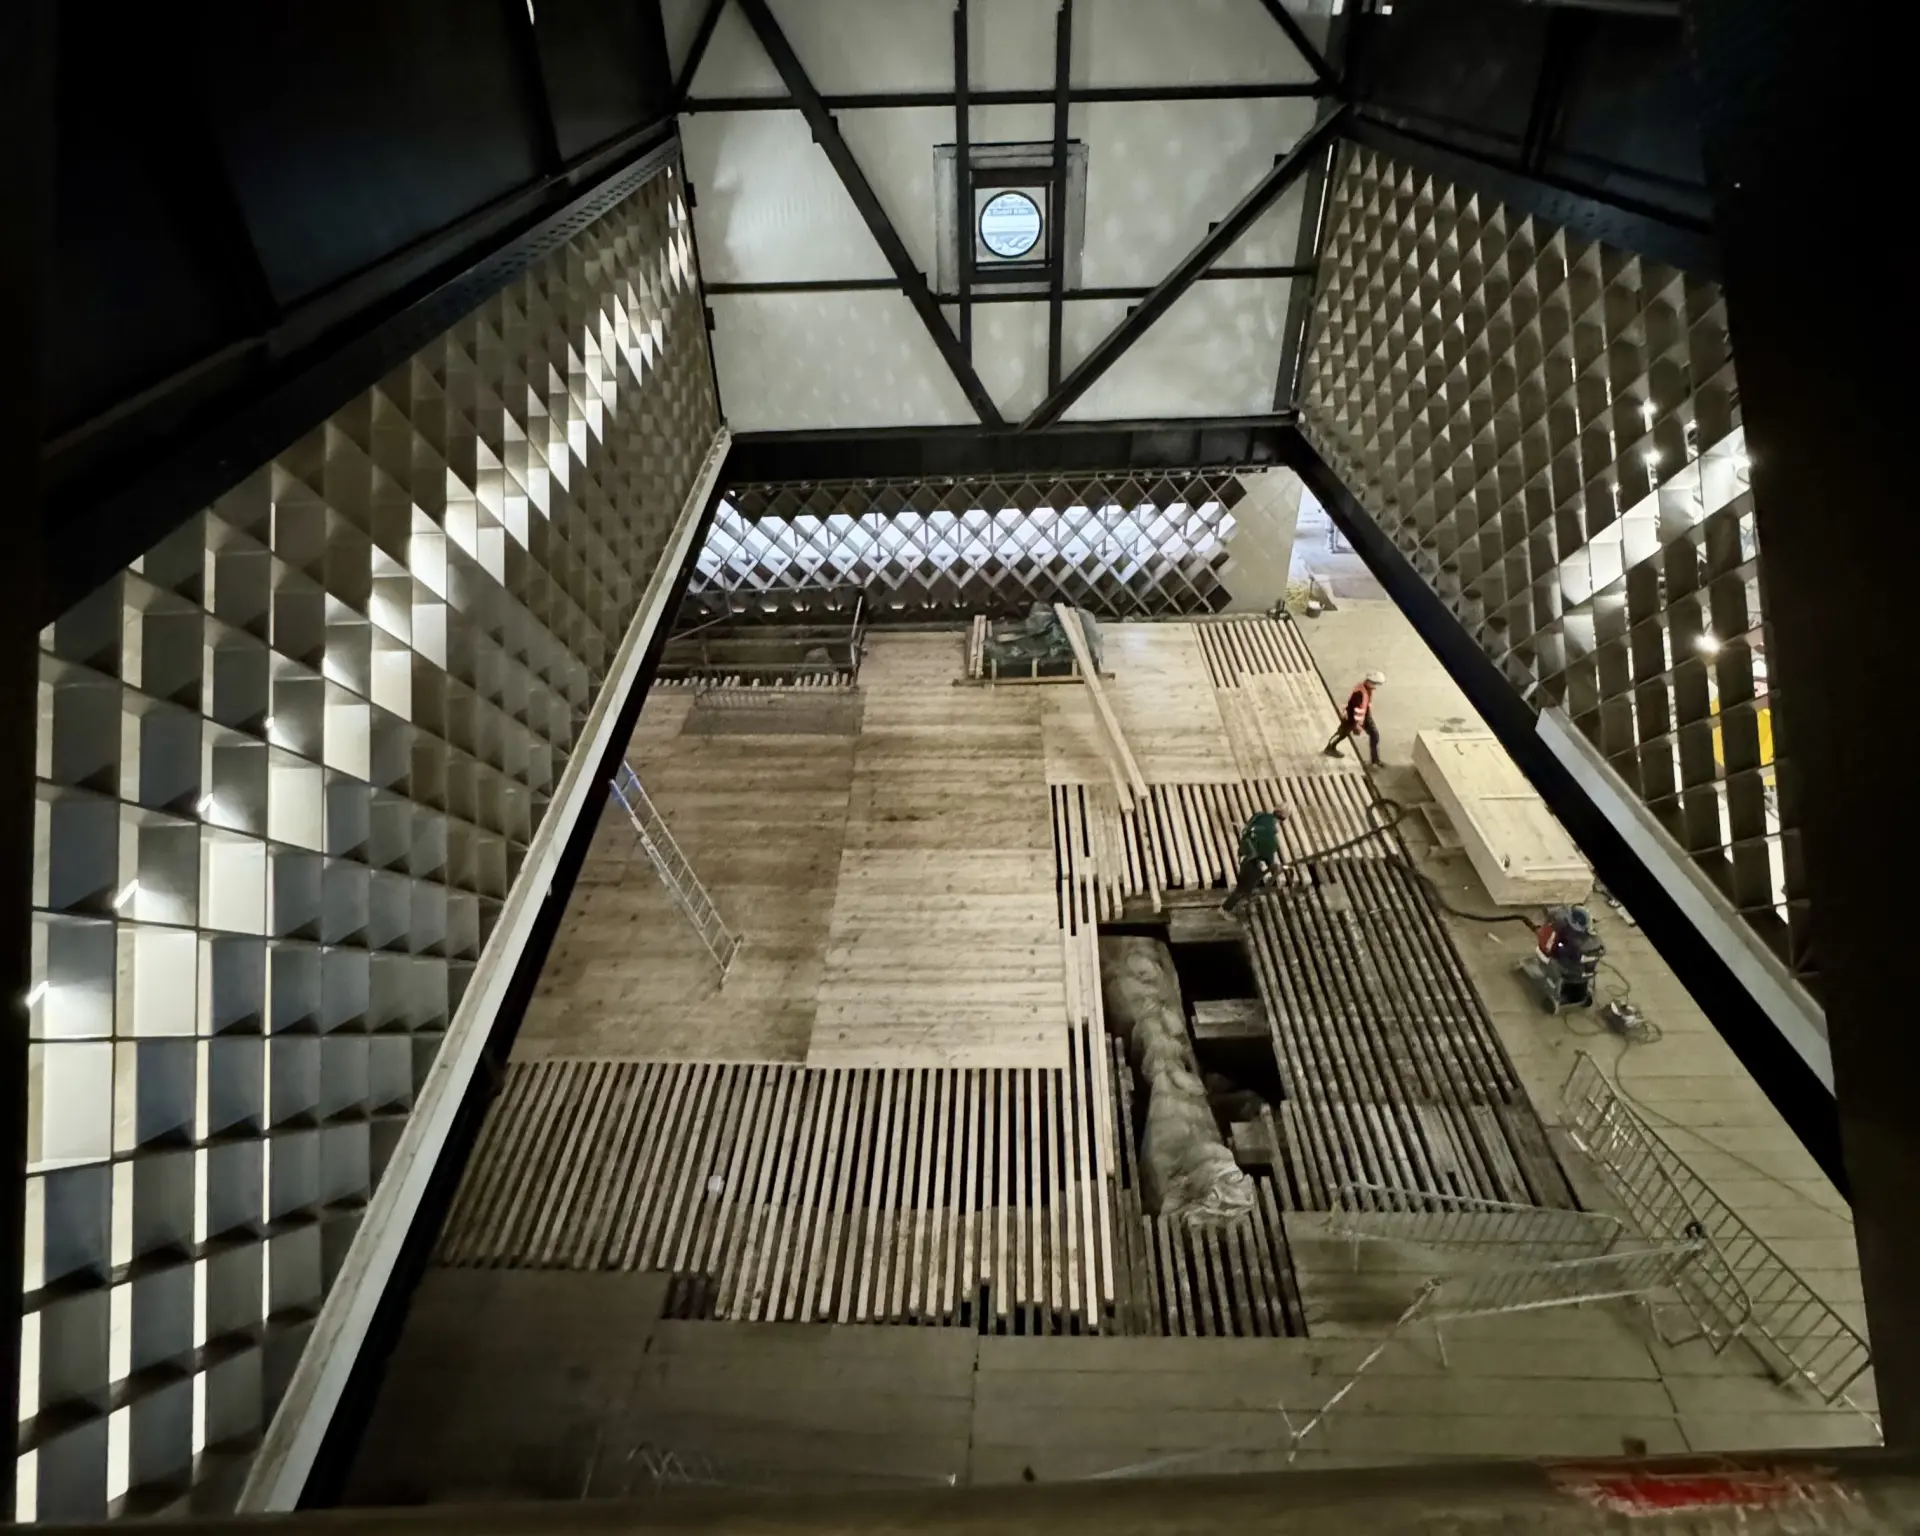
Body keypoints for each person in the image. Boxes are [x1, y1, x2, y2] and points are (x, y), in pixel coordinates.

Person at [1223, 807, 1289, 915]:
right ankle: (1225, 909)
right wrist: (1272, 864)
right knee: (1243, 888)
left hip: (1243, 854)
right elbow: (1268, 851)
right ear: (1283, 819)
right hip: (1250, 860)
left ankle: (1240, 900)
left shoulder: (1260, 816)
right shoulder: (1270, 833)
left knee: (1252, 879)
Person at [1324, 670, 1385, 766]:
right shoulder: (1359, 694)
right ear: (1370, 682)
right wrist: (1355, 726)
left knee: (1374, 735)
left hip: (1364, 717)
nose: (1375, 687)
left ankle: (1375, 760)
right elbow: (1352, 710)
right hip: (1351, 719)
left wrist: (1367, 717)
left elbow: (1365, 705)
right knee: (1341, 734)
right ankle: (1329, 748)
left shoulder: (1367, 690)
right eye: (1375, 684)